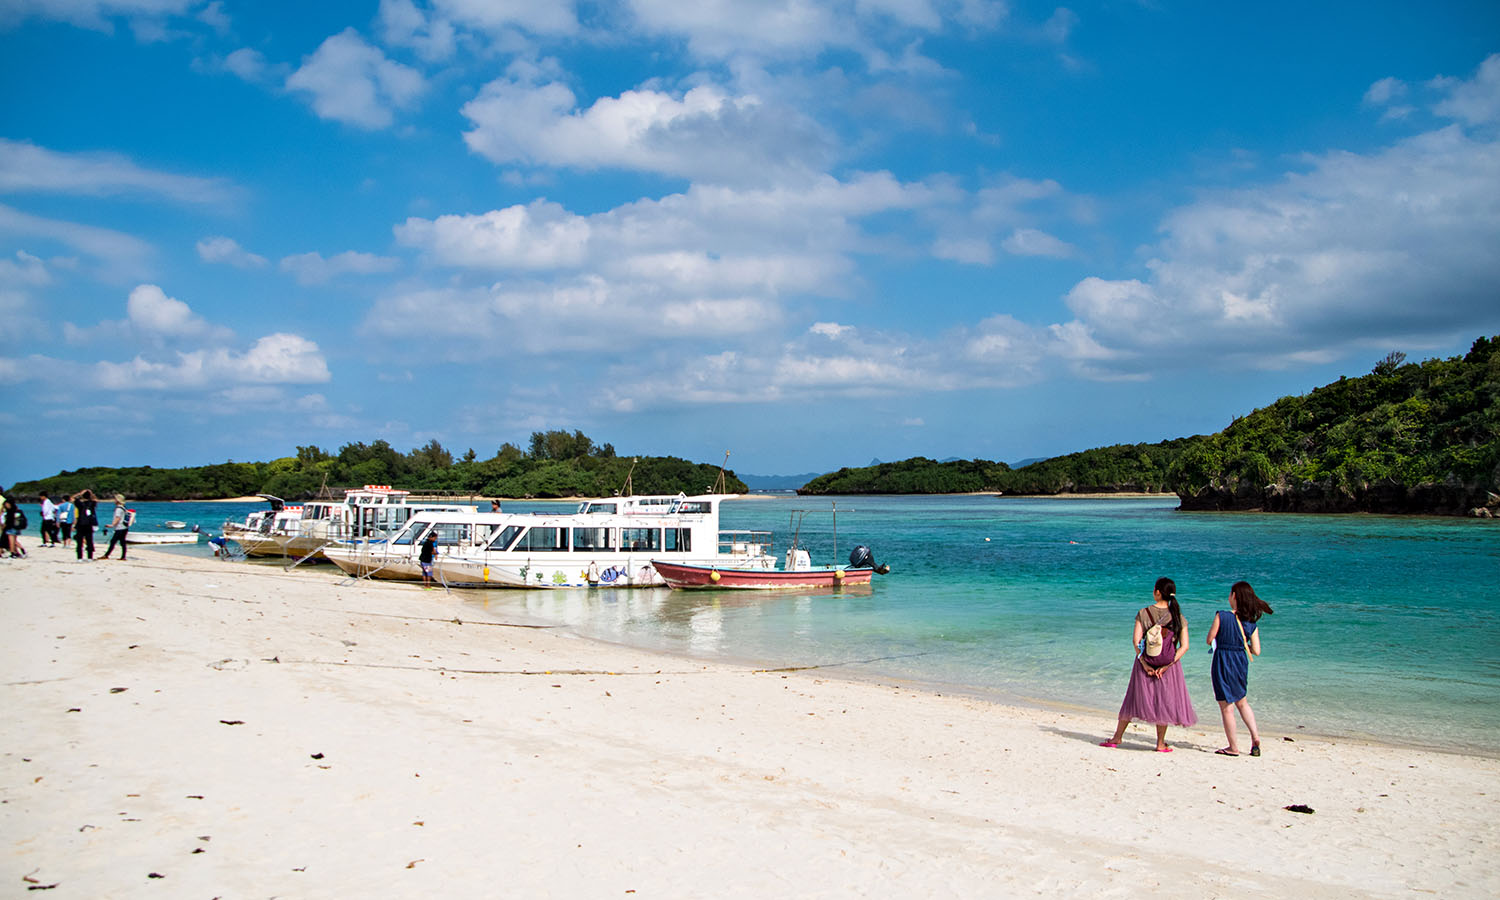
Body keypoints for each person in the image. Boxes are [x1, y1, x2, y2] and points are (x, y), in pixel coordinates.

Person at [1101, 577, 1197, 752]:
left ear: (1157, 592)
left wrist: (1144, 663)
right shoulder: (1178, 617)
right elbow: (1185, 646)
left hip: (1145, 664)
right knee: (1164, 703)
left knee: (1132, 700)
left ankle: (1117, 737)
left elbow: (1136, 641)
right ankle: (1160, 743)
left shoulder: (1144, 613)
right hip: (1168, 667)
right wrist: (1168, 665)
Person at [1207, 580, 1274, 757]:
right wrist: (1243, 645)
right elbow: (1257, 651)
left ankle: (1233, 747)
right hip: (1240, 661)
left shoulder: (1221, 616)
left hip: (1222, 660)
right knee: (1242, 702)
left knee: (1226, 707)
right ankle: (1255, 737)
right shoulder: (1251, 623)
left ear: (1234, 596)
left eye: (1230, 594)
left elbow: (1209, 639)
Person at [101, 494, 131, 560]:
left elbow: (118, 518)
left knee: (113, 541)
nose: (114, 500)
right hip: (124, 527)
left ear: (117, 500)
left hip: (120, 527)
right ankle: (123, 556)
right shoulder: (124, 507)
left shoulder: (118, 509)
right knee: (122, 542)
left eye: (115, 499)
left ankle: (106, 555)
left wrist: (112, 525)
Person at [70, 489, 98, 560]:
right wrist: (91, 493)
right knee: (89, 540)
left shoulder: (80, 504)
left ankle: (80, 557)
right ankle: (90, 557)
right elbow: (96, 499)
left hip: (80, 524)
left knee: (79, 541)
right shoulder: (92, 504)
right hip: (89, 524)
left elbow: (72, 498)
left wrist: (79, 493)